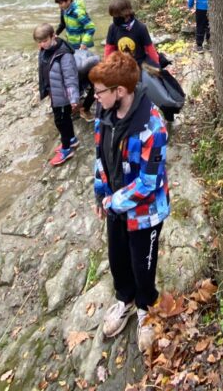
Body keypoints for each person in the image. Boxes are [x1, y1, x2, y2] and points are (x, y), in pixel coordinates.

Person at [90, 51, 170, 354]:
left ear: (120, 91)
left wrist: (113, 202)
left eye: (100, 92)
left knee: (142, 263)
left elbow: (149, 182)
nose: (95, 97)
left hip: (145, 213)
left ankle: (146, 307)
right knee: (118, 258)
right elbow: (100, 157)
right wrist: (100, 193)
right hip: (115, 206)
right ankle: (124, 299)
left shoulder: (153, 126)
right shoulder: (104, 114)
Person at [34, 23, 81, 167]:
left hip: (63, 95)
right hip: (54, 92)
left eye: (44, 41)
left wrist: (73, 98)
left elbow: (71, 78)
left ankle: (66, 149)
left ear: (53, 36)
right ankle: (72, 140)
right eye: (39, 42)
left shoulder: (64, 55)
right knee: (64, 118)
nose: (42, 44)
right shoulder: (45, 50)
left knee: (60, 121)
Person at [105, 0, 161, 68]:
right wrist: (107, 65)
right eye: (113, 16)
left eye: (117, 16)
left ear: (126, 14)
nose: (115, 19)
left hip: (139, 63)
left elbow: (149, 48)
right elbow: (109, 48)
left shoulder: (141, 28)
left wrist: (157, 65)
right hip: (121, 64)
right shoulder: (112, 28)